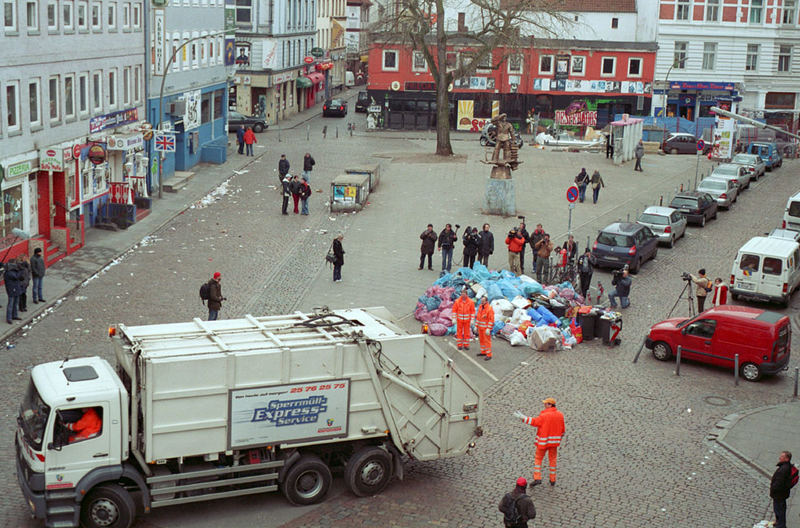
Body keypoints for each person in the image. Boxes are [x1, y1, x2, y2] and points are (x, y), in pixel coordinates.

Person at [514, 398, 566, 487]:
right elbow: (563, 429)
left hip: (543, 442)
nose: (544, 405)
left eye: (546, 404)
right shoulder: (560, 415)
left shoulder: (544, 416)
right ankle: (552, 479)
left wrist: (523, 418)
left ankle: (537, 478)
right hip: (554, 443)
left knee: (538, 459)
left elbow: (534, 422)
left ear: (550, 405)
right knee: (552, 459)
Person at [770, 451, 794, 528]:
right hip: (781, 494)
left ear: (787, 459)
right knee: (779, 509)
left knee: (779, 510)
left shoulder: (784, 469)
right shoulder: (786, 467)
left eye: (782, 457)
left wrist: (773, 488)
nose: (779, 458)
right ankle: (779, 523)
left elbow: (779, 483)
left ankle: (780, 525)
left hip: (779, 494)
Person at [4, 259, 24, 324]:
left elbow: (20, 277)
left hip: (16, 288)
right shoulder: (8, 272)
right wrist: (21, 270)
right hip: (11, 289)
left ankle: (15, 315)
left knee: (16, 303)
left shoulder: (14, 270)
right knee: (10, 304)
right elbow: (16, 277)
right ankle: (9, 318)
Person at [475, 296, 494, 361]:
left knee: (487, 341)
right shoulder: (480, 307)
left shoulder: (489, 309)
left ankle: (489, 355)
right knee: (482, 340)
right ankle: (483, 352)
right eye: (481, 301)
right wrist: (476, 326)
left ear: (486, 301)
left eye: (483, 301)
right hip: (480, 328)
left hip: (486, 329)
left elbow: (491, 320)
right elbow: (478, 317)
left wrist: (488, 328)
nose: (482, 302)